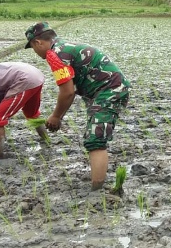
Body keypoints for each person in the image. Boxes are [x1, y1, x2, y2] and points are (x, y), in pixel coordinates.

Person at [24, 21, 131, 191]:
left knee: (95, 140)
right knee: (94, 137)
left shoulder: (55, 55)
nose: (35, 52)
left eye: (33, 48)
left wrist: (56, 117)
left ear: (38, 42)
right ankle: (97, 185)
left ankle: (97, 192)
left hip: (109, 90)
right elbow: (70, 89)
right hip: (103, 90)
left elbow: (67, 92)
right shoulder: (62, 47)